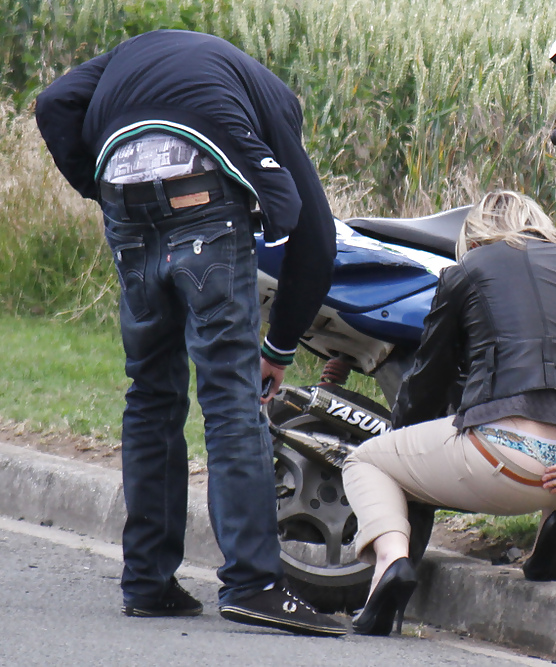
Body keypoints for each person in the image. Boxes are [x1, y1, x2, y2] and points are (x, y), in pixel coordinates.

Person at [34, 30, 346, 636]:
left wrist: (99, 188)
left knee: (150, 392)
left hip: (125, 195)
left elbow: (52, 104)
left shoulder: (134, 52)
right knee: (230, 391)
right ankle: (254, 583)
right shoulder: (273, 99)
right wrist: (279, 348)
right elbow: (316, 238)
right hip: (204, 201)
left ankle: (147, 581)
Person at [341, 190, 556, 636]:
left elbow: (426, 384)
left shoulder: (468, 269)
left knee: (367, 461)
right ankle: (555, 525)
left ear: (473, 236)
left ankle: (389, 567)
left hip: (505, 464)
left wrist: (405, 447)